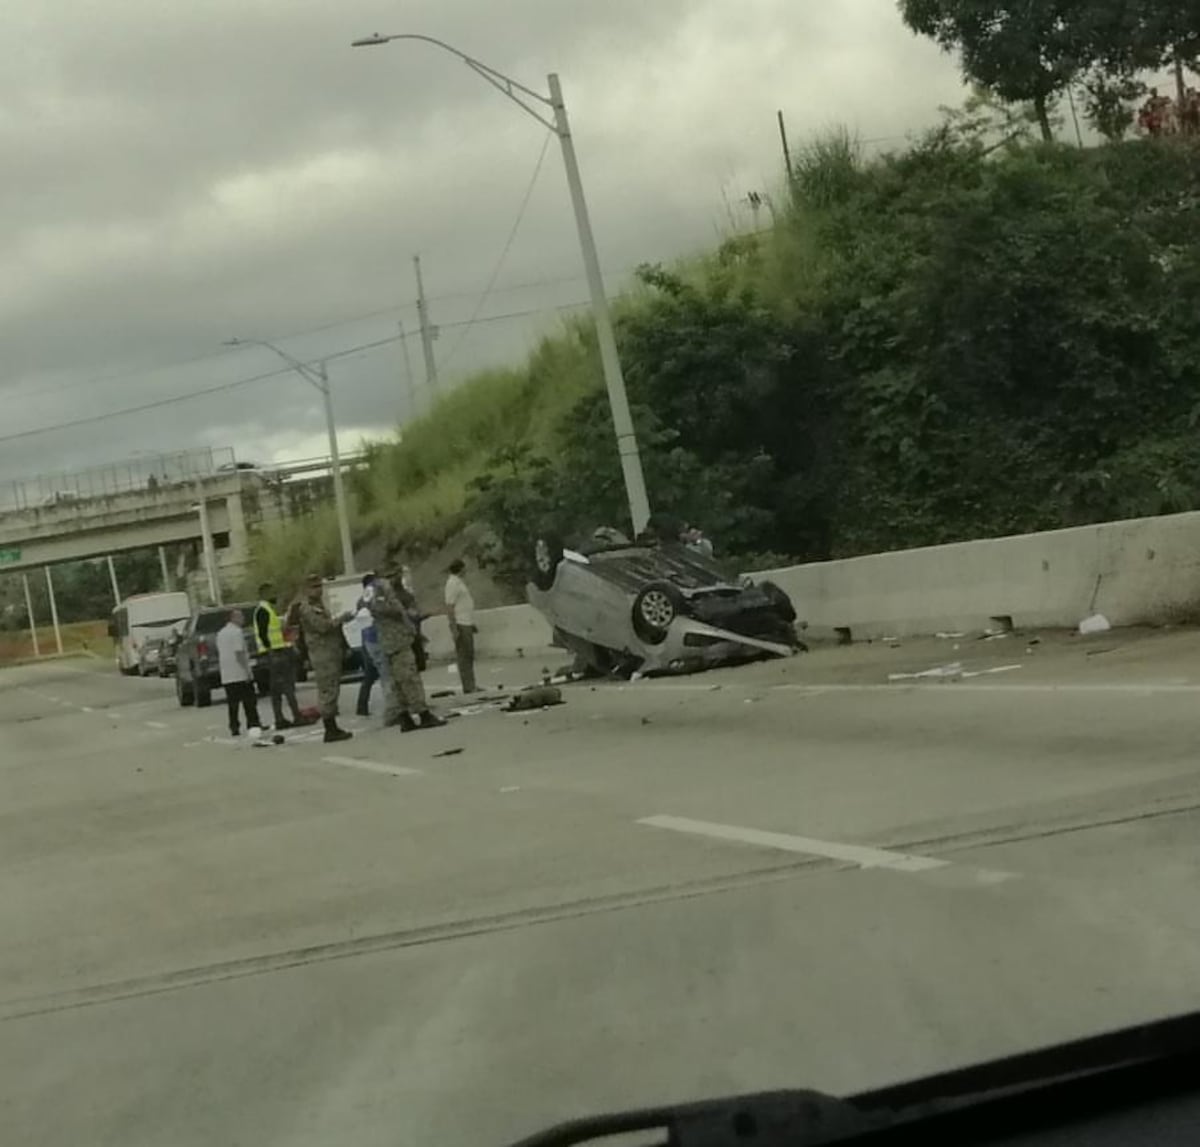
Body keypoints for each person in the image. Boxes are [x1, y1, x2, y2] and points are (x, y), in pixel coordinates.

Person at [372, 564, 445, 732]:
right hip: (398, 642)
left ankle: (405, 718)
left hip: (391, 642)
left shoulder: (379, 596)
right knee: (409, 679)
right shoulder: (385, 596)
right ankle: (422, 714)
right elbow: (400, 613)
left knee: (398, 682)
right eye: (394, 575)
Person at [296, 574, 354, 744]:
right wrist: (342, 619)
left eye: (320, 586)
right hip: (322, 654)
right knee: (328, 691)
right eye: (314, 587)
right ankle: (330, 728)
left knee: (332, 689)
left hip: (330, 652)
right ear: (306, 590)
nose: (318, 590)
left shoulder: (319, 605)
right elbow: (322, 627)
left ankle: (333, 726)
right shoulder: (307, 608)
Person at [254, 582, 302, 730]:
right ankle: (295, 716)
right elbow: (263, 634)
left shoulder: (268, 610)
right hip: (274, 654)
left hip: (276, 652)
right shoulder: (263, 610)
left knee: (277, 688)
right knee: (286, 686)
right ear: (264, 594)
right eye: (272, 593)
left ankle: (281, 718)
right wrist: (270, 650)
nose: (275, 596)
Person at [216, 608, 261, 738]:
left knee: (233, 703)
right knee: (249, 701)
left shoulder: (221, 633)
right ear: (233, 618)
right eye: (240, 617)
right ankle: (253, 723)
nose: (243, 619)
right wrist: (247, 671)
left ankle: (234, 726)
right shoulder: (236, 632)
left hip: (227, 674)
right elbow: (239, 653)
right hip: (239, 673)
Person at [355, 573, 390, 718]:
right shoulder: (375, 599)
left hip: (367, 641)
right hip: (377, 639)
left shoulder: (361, 601)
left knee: (369, 676)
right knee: (384, 675)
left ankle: (361, 707)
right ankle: (392, 708)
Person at [444, 558, 478, 694]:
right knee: (464, 655)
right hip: (460, 622)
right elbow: (449, 606)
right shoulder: (452, 583)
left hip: (466, 621)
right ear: (461, 569)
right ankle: (469, 686)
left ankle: (472, 684)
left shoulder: (458, 582)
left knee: (469, 654)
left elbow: (464, 604)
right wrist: (453, 627)